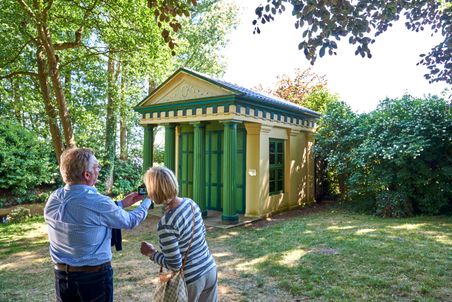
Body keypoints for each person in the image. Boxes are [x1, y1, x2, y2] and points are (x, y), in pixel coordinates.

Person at [44, 147, 152, 302]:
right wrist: (148, 200)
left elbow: (84, 215)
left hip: (62, 277)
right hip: (93, 278)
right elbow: (130, 221)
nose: (99, 170)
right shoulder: (97, 202)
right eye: (96, 167)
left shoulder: (55, 197)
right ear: (87, 175)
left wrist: (121, 204)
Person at [140, 166, 218, 302]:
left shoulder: (166, 223)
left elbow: (175, 264)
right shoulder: (191, 203)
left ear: (154, 191)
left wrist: (151, 253)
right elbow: (202, 233)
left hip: (191, 279)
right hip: (209, 268)